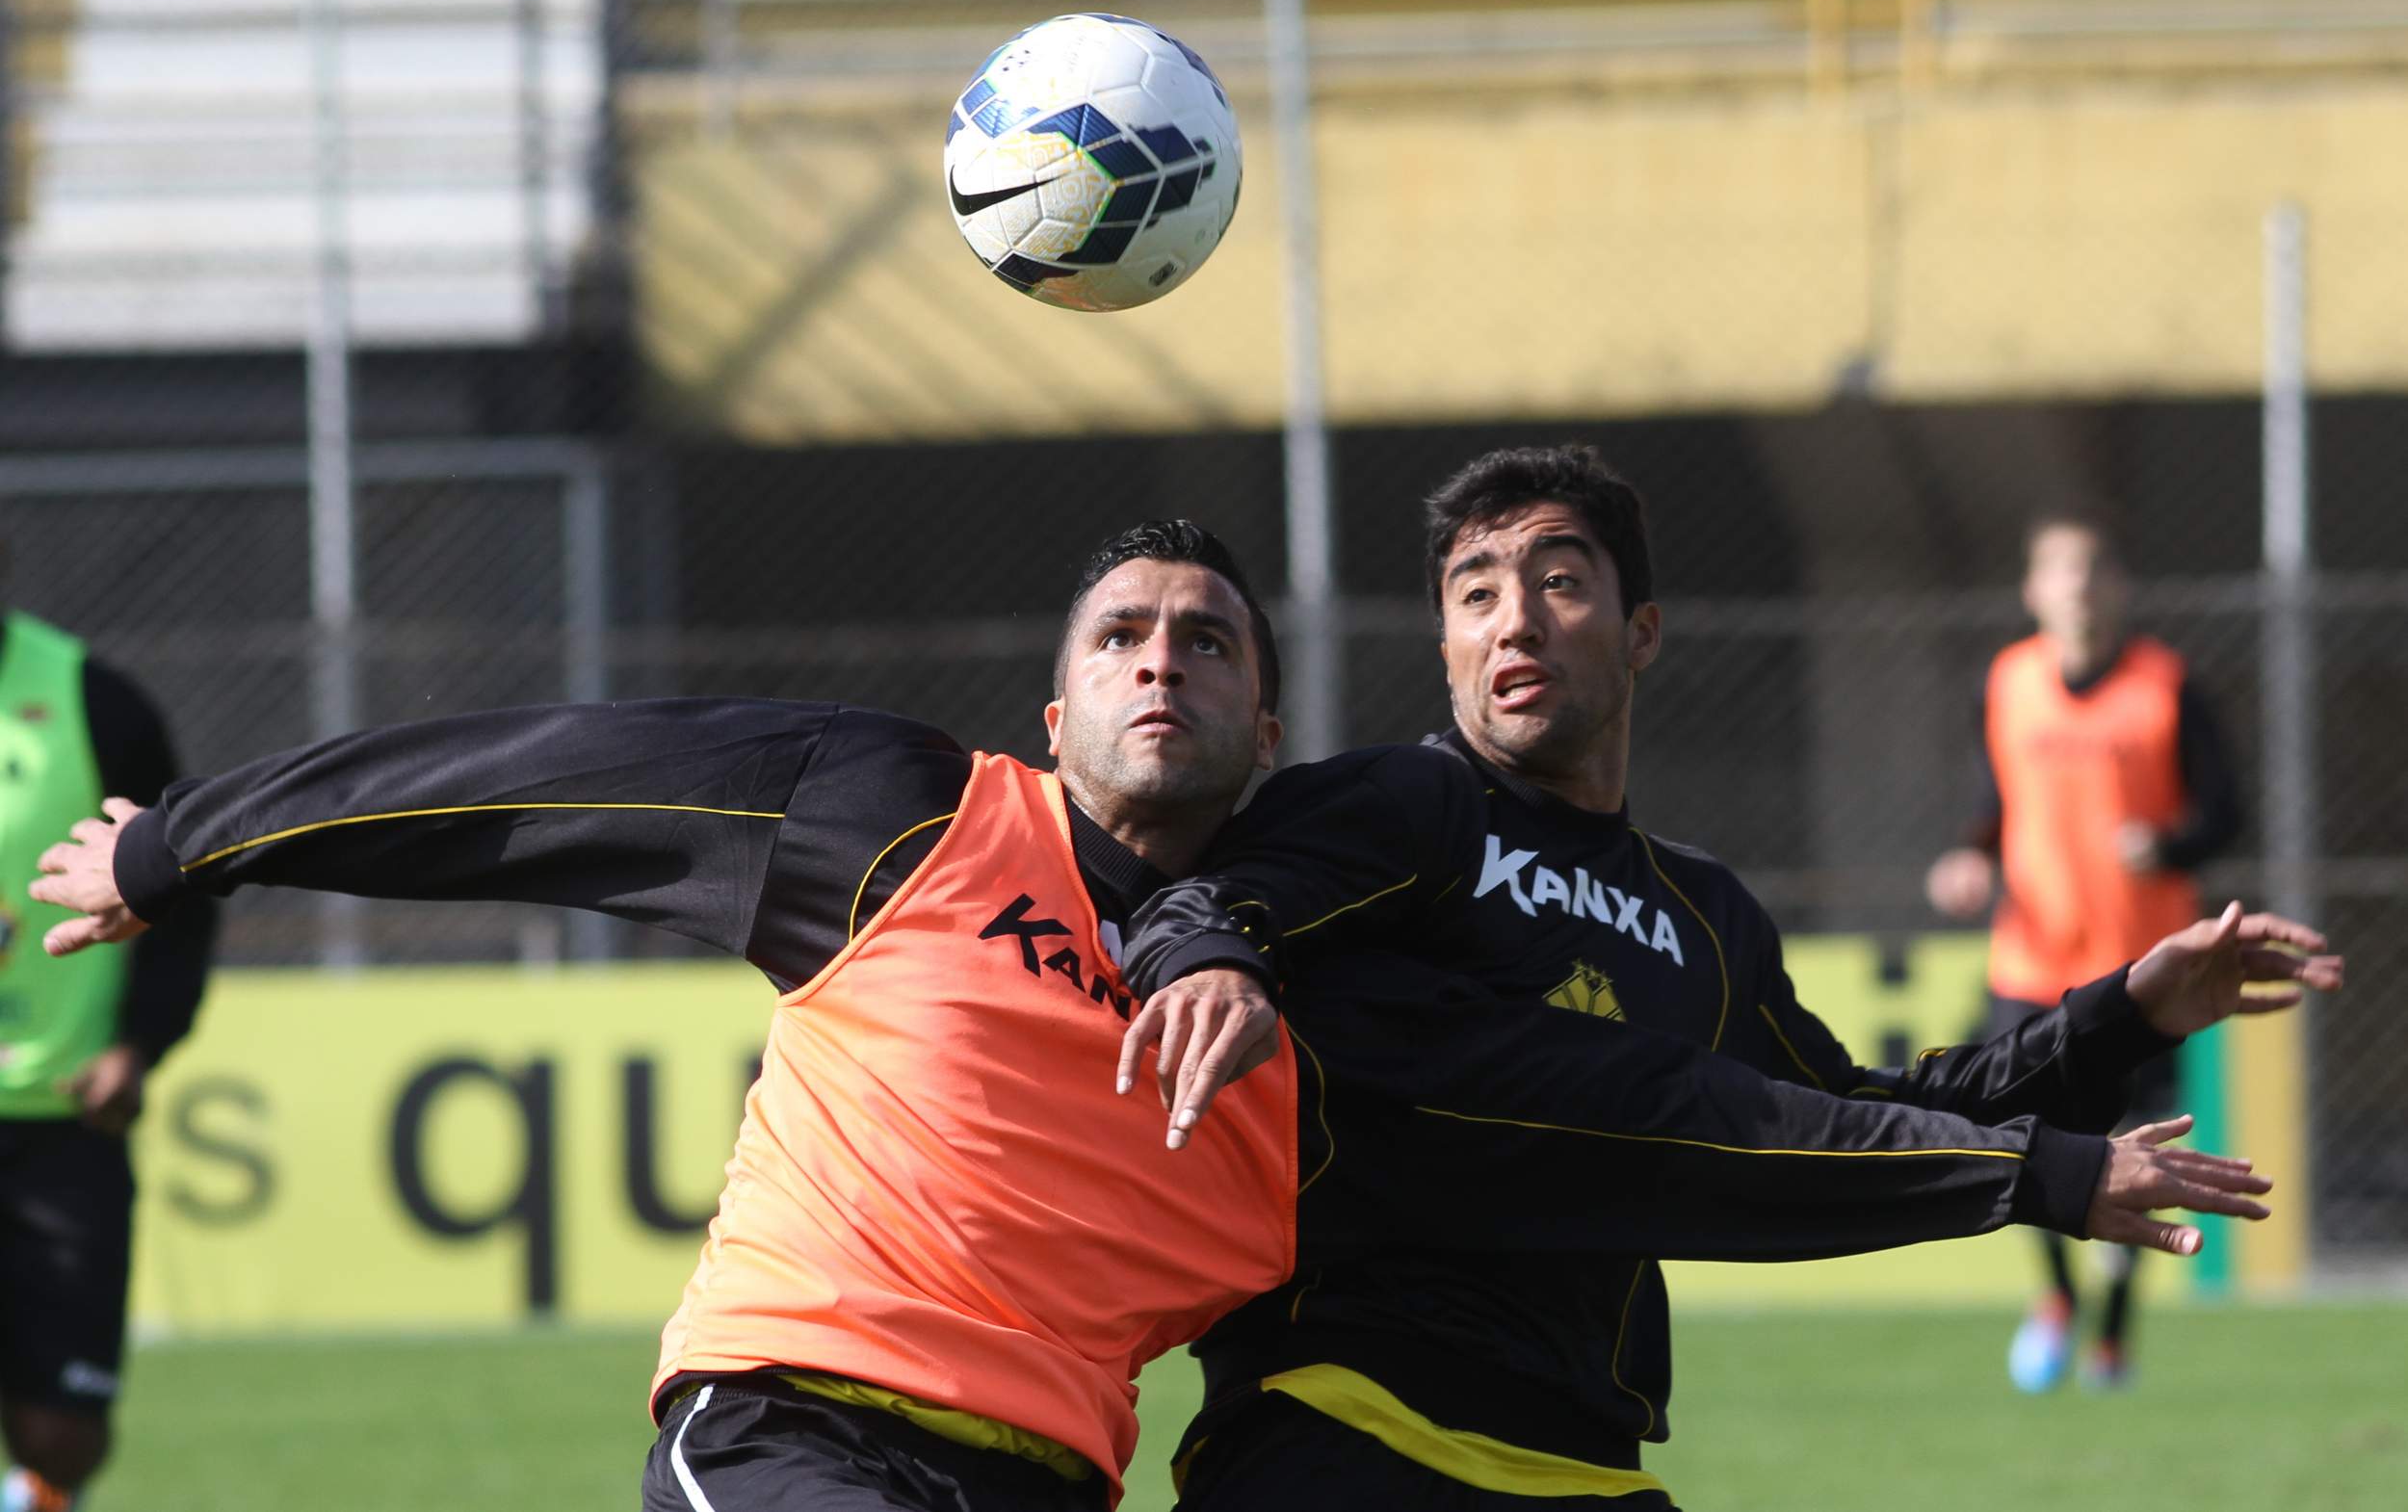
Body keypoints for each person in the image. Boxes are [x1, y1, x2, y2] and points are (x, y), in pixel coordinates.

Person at [29, 523, 2287, 1512]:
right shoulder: (896, 810)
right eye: (1123, 630)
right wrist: (180, 843)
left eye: (1208, 638)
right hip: (790, 1436)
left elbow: (1664, 1120)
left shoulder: (1337, 1008)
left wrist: (2061, 1100)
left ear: (1273, 722)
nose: (1161, 659)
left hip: (1059, 1485)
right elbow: (533, 785)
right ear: (1053, 698)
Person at [1120, 453, 2334, 1512]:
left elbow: (1853, 1108)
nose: (1514, 622)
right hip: (1345, 1433)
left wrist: (2124, 1009)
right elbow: (1203, 899)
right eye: (1474, 593)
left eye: (1557, 581)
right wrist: (1215, 958)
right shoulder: (1405, 806)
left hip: (1587, 1465)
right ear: (1444, 646)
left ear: (1640, 629)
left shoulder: (1700, 912)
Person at [1925, 511, 2244, 1392]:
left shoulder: (2167, 687)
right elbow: (1994, 800)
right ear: (2034, 589)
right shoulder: (2007, 681)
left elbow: (2224, 813)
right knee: (2017, 1138)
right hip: (2031, 964)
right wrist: (1970, 854)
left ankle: (2114, 1328)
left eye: (2094, 569)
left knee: (2140, 1148)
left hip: (2145, 976)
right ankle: (2062, 1297)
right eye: (2060, 571)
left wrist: (2170, 847)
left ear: (2119, 587)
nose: (2077, 586)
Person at [0, 610, 216, 1512]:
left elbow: (183, 880)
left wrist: (140, 1044)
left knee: (65, 1432)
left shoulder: (95, 699)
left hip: (64, 1119)